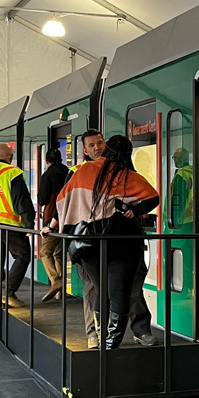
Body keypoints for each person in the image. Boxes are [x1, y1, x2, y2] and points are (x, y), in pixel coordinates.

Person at [56, 135, 160, 349]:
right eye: (92, 144)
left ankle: (100, 336)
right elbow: (153, 197)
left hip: (90, 243)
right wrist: (134, 210)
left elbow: (63, 201)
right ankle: (113, 341)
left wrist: (56, 226)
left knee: (101, 291)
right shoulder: (127, 175)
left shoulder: (82, 171)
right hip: (124, 242)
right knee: (120, 292)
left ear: (107, 149)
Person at [42, 129, 105, 348]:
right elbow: (63, 203)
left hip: (113, 238)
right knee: (91, 287)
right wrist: (51, 226)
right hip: (86, 239)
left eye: (100, 142)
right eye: (92, 145)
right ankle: (93, 334)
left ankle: (133, 330)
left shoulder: (118, 168)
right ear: (84, 150)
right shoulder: (77, 172)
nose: (97, 147)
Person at [0, 143, 35, 309]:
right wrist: (28, 224)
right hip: (8, 223)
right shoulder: (13, 173)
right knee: (23, 255)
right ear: (11, 157)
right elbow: (21, 200)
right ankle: (7, 291)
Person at [37, 147, 67, 302]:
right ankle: (59, 292)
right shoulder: (68, 172)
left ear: (47, 161)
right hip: (68, 218)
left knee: (45, 252)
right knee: (58, 253)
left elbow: (42, 199)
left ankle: (56, 281)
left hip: (52, 217)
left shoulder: (47, 175)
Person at [170, 148, 193, 229]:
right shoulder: (192, 172)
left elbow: (179, 200)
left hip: (182, 220)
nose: (174, 160)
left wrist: (175, 220)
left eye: (176, 157)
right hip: (190, 217)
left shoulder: (181, 175)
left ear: (182, 158)